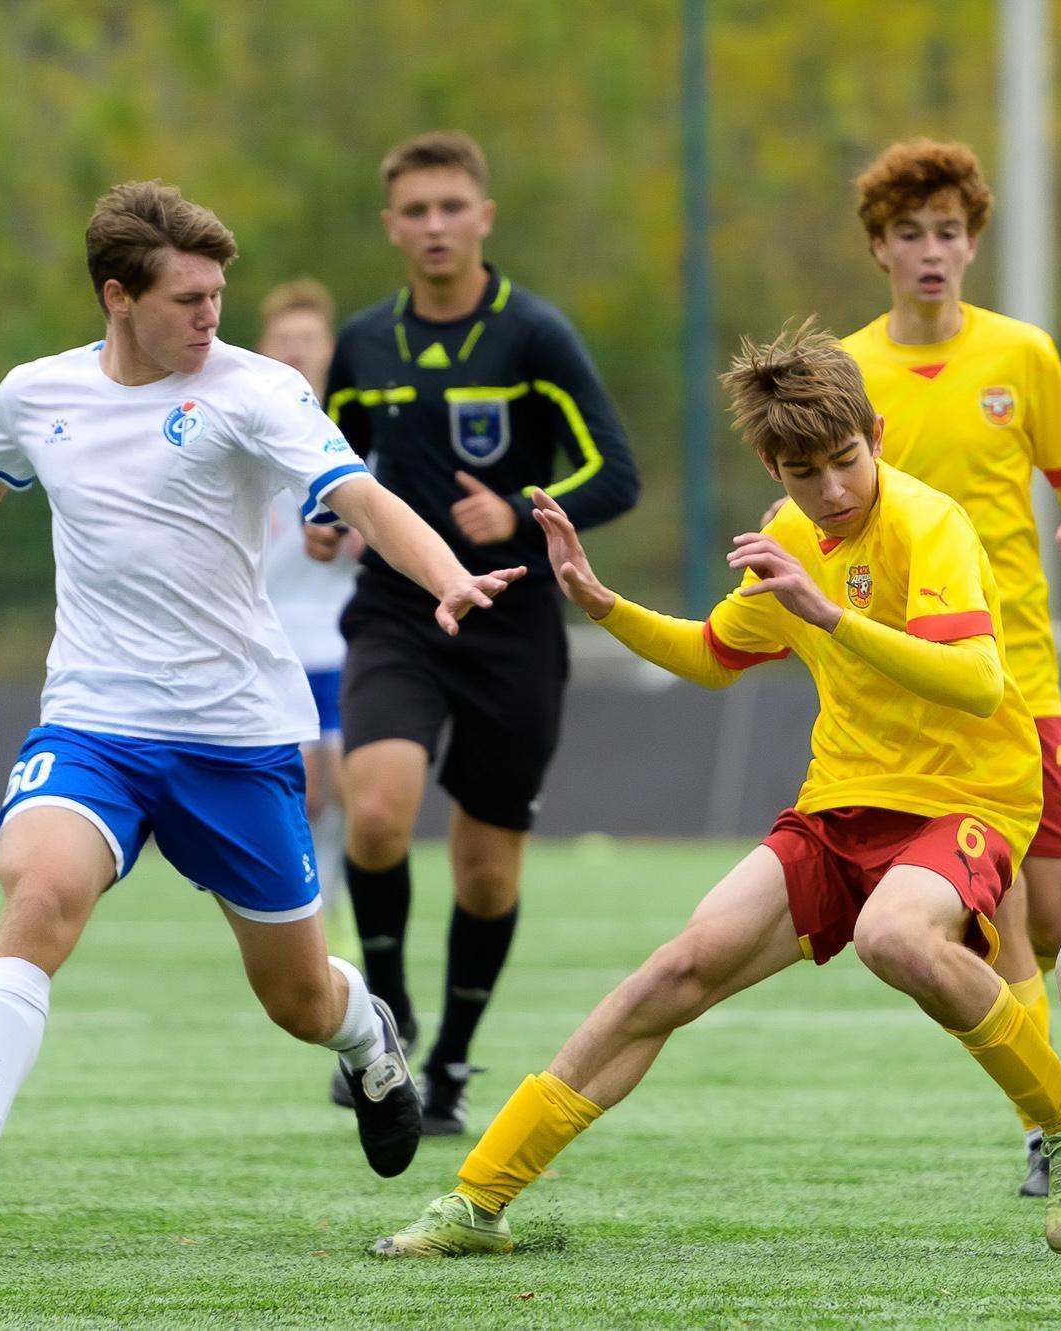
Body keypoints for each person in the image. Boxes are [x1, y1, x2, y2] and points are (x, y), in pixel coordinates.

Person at [0, 181, 527, 1246]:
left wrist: (445, 574)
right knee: (39, 889)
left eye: (217, 296)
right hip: (94, 724)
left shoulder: (257, 391)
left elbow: (361, 497)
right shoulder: (38, 393)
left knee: (298, 999)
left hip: (235, 737)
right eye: (187, 300)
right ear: (118, 296)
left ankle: (366, 1035)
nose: (212, 316)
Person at [371, 323, 1061, 1260]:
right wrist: (602, 603)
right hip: (843, 800)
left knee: (894, 936)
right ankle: (480, 1198)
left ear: (877, 435)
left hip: (969, 796)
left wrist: (829, 615)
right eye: (804, 472)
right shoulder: (790, 536)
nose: (832, 489)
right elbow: (714, 656)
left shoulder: (929, 522)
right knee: (679, 969)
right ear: (773, 466)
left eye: (845, 461)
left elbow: (975, 682)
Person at [325, 130, 640, 1134]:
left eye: (451, 206)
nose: (435, 226)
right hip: (398, 611)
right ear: (391, 225)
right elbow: (329, 461)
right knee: (376, 812)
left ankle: (452, 1063)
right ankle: (383, 1012)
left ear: (483, 217)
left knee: (487, 871)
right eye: (416, 210)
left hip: (512, 625)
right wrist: (323, 517)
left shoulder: (533, 335)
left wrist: (518, 508)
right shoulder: (363, 344)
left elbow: (616, 471)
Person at [840, 139, 1061, 1197]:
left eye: (947, 232)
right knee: (990, 918)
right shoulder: (848, 371)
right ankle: (1048, 1119)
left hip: (1022, 675)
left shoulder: (1020, 354)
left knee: (1055, 914)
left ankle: (1045, 1088)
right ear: (878, 247)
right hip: (921, 688)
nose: (930, 250)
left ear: (971, 243)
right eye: (908, 233)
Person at [255, 279, 364, 935]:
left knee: (350, 783)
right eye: (283, 339)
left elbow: (386, 522)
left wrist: (362, 536)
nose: (296, 349)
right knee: (302, 786)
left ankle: (341, 902)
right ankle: (302, 906)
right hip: (276, 636)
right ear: (264, 347)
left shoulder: (355, 434)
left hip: (346, 635)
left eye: (308, 338)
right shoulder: (248, 429)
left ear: (329, 348)